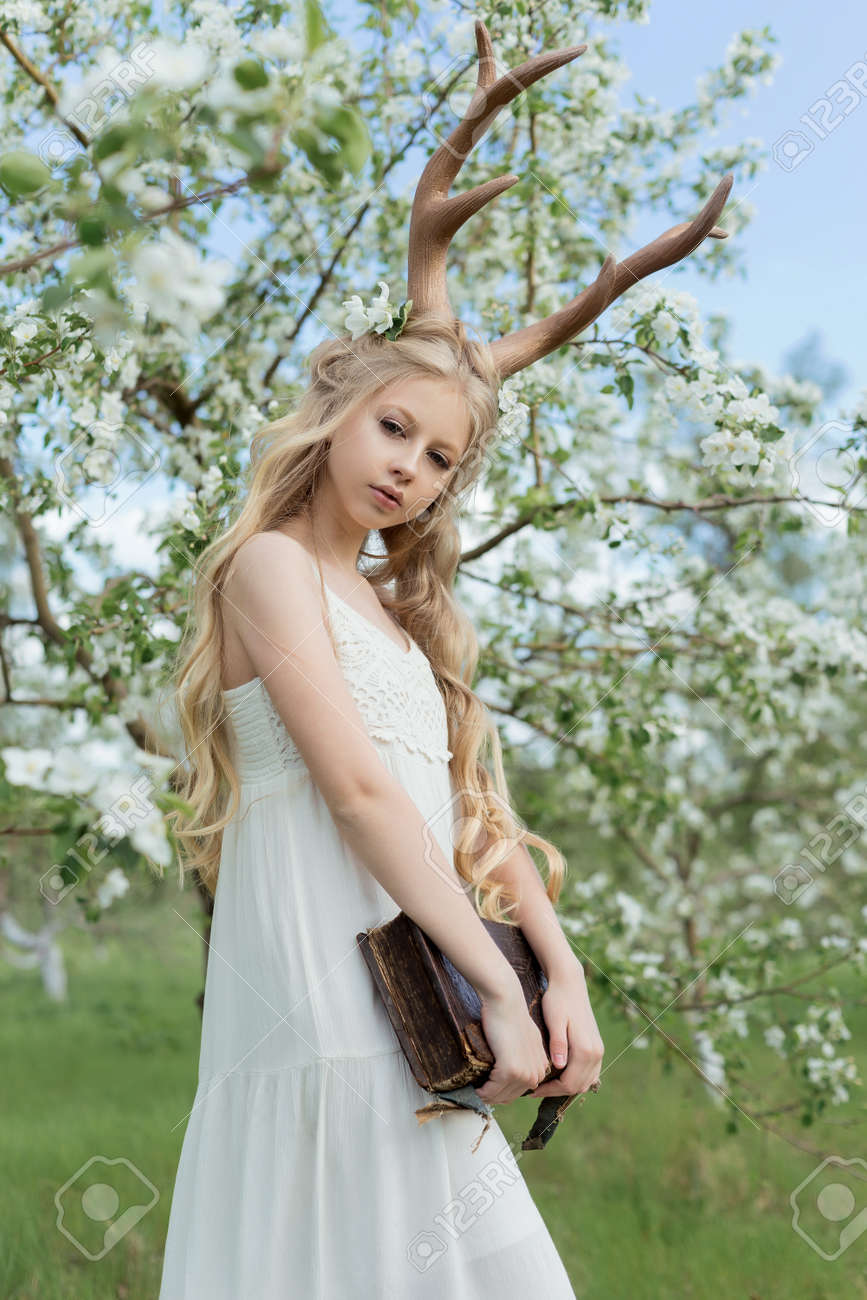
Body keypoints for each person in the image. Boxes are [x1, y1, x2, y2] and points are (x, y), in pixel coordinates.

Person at [156, 304, 604, 1298]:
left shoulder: (402, 617)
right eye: (394, 427)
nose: (411, 467)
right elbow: (358, 793)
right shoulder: (268, 565)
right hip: (320, 985)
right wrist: (491, 977)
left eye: (442, 457)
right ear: (332, 404)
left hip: (417, 987)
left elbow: (473, 811)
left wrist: (560, 971)